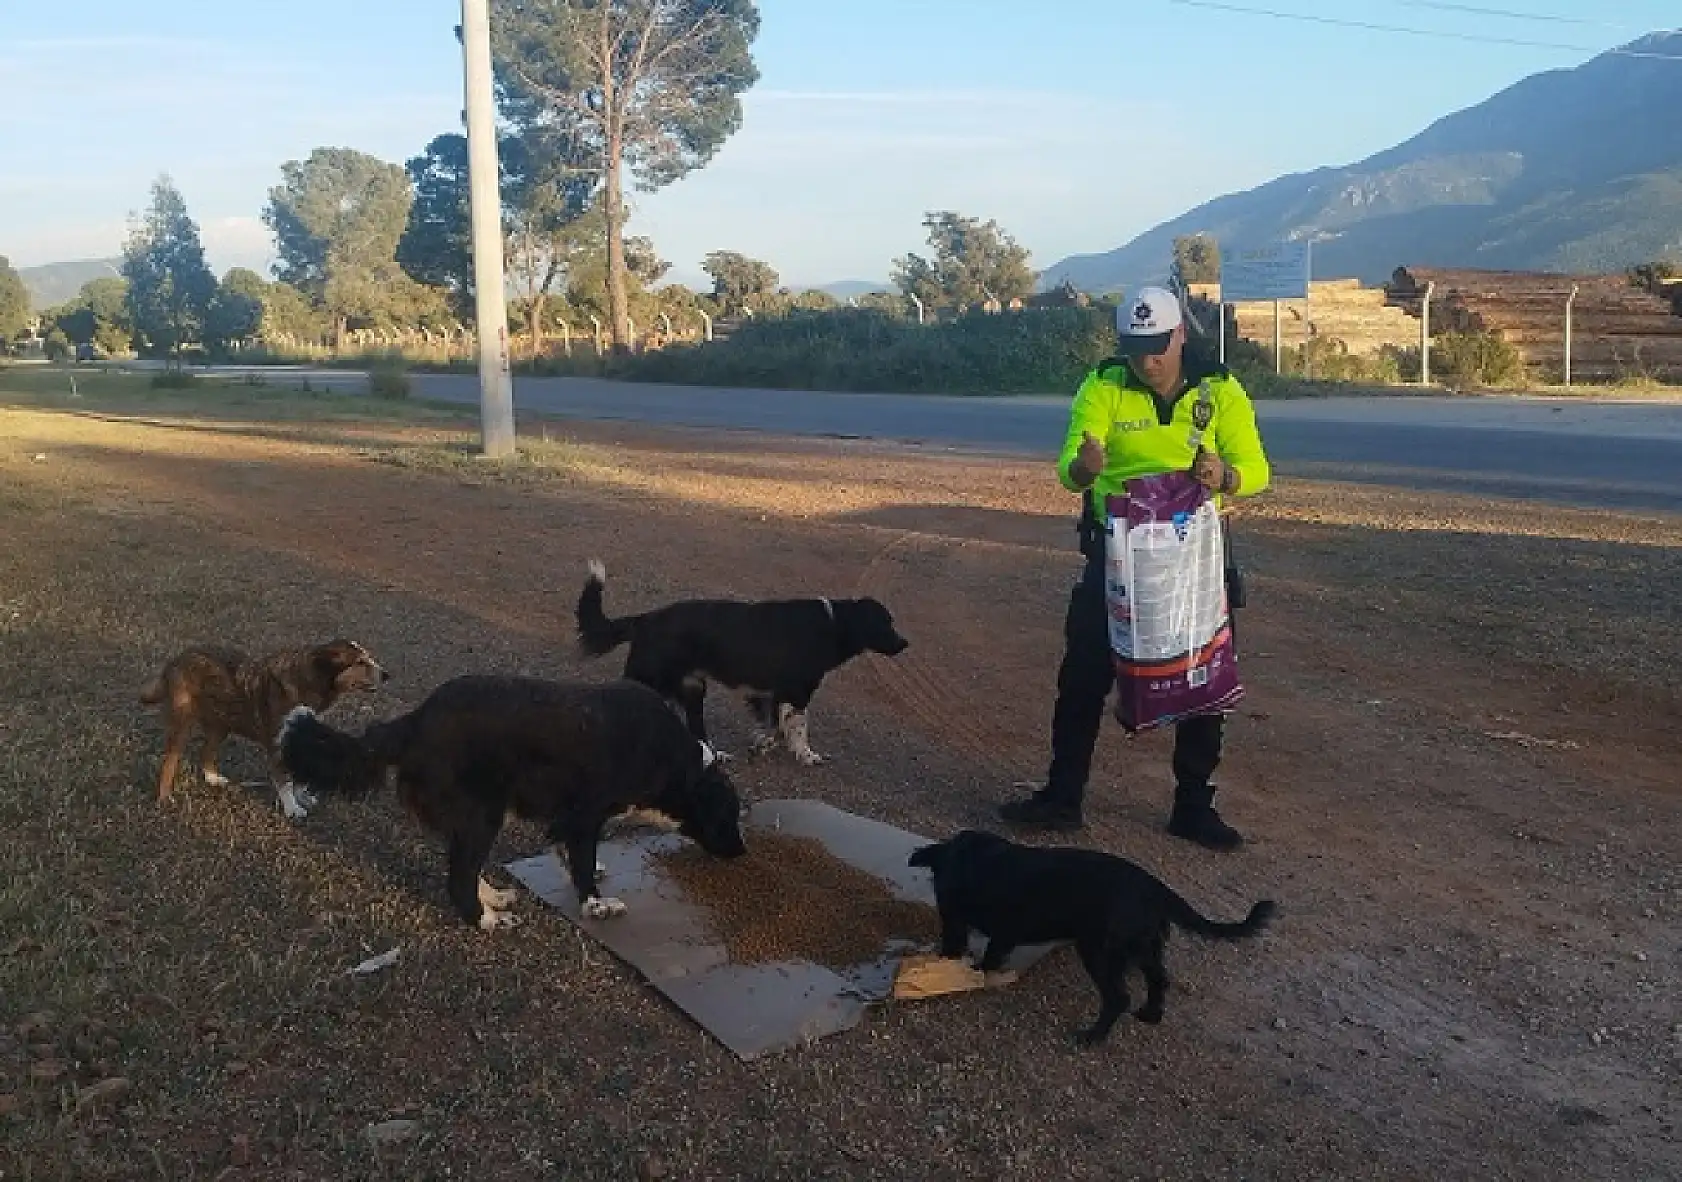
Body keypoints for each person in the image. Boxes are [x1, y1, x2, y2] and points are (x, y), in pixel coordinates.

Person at [998, 285, 1271, 849]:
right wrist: (1084, 468)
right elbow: (1069, 467)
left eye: (1155, 346)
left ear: (1180, 336)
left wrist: (1227, 478)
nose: (1145, 360)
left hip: (1193, 559)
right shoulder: (1103, 385)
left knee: (1203, 676)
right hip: (1117, 553)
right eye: (1133, 347)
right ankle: (1062, 797)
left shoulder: (1219, 390)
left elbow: (1257, 468)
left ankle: (1193, 806)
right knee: (1083, 675)